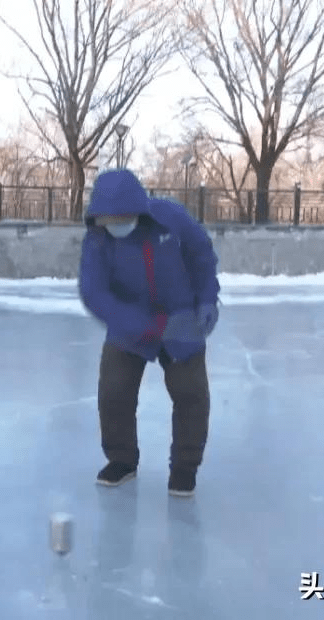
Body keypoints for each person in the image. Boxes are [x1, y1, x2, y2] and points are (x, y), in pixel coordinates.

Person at [79, 168, 220, 497]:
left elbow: (202, 256)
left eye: (121, 217)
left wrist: (207, 300)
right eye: (107, 219)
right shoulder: (98, 238)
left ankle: (184, 468)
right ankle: (121, 460)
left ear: (137, 210)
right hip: (131, 321)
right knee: (113, 391)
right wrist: (144, 326)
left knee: (191, 394)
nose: (114, 224)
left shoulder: (170, 218)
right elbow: (94, 293)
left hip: (180, 316)